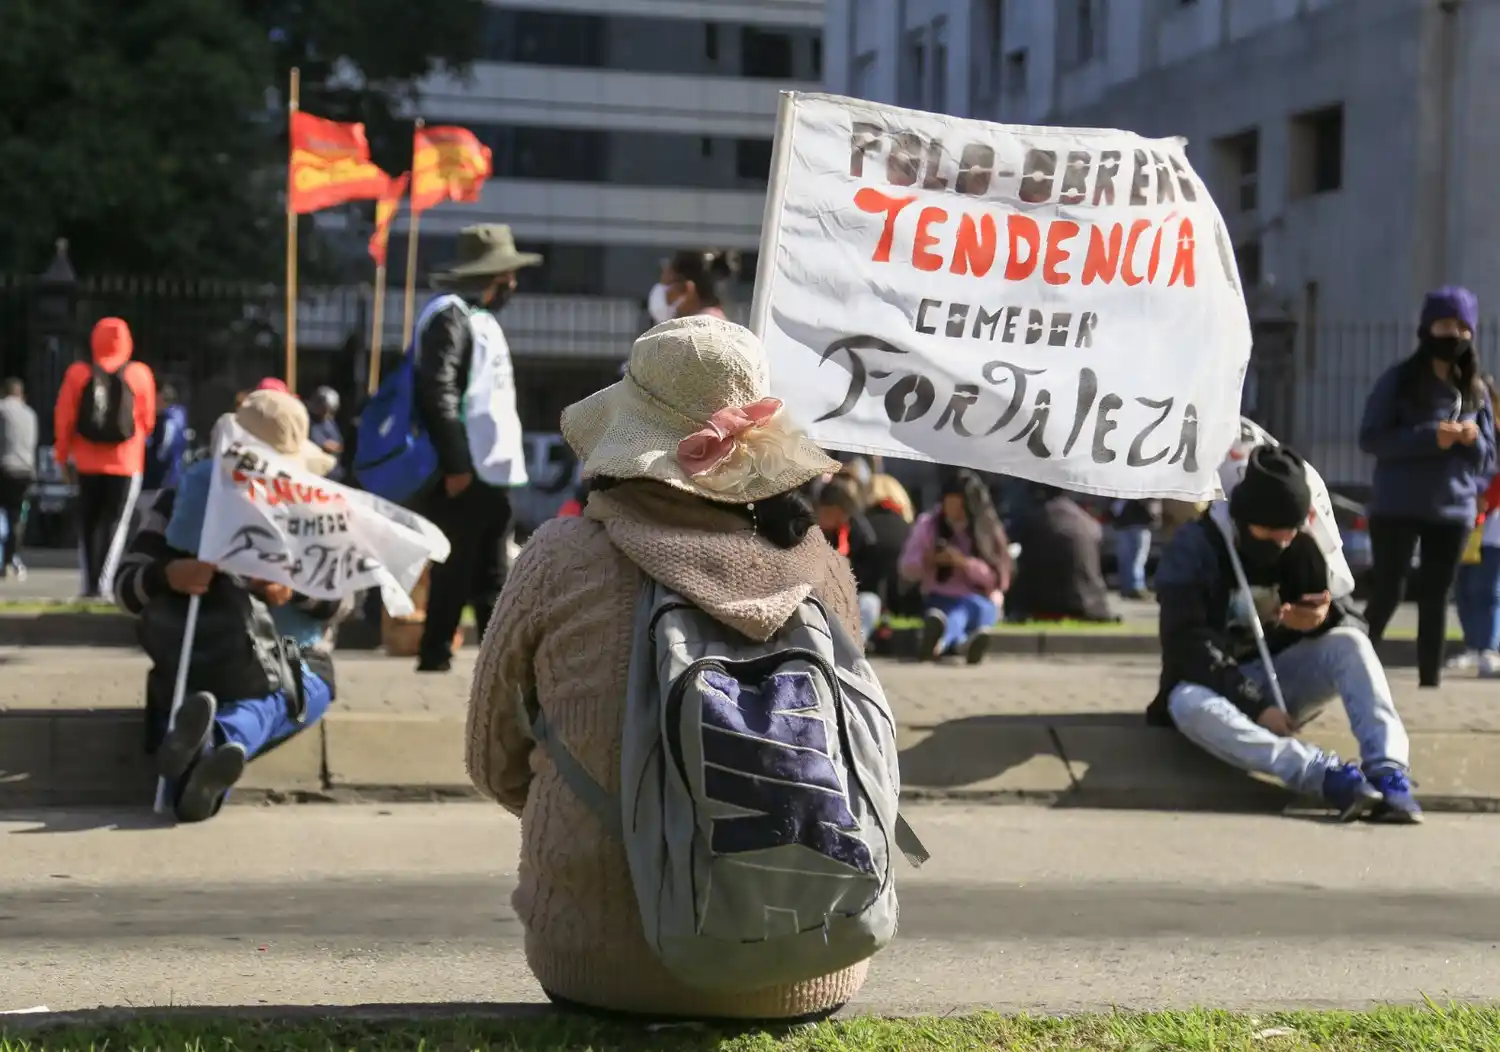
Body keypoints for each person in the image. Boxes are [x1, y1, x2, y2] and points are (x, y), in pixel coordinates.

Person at [465, 315, 874, 1019]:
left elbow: (491, 758)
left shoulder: (559, 556)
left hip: (600, 961)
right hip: (814, 961)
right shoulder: (823, 569)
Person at [1149, 445, 1420, 823]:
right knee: (1186, 703)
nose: (1279, 543)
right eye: (1268, 532)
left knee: (1350, 643)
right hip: (1215, 686)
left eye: (1288, 533)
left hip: (1280, 681)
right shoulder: (1196, 547)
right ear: (1243, 519)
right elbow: (1186, 644)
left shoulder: (1301, 546)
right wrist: (1256, 705)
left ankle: (1388, 771)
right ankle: (1323, 775)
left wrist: (1321, 620)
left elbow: (1352, 621)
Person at [116, 390, 342, 822]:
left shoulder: (314, 509)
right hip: (202, 653)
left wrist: (291, 590)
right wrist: (168, 575)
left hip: (289, 658)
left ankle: (210, 745)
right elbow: (125, 587)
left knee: (297, 690)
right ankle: (209, 751)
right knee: (196, 700)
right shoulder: (182, 498)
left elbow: (344, 601)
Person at [1359, 285, 1497, 688]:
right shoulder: (1398, 381)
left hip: (1452, 509)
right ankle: (1353, 664)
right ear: (1425, 329)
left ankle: (1429, 682)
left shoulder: (1477, 390)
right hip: (1396, 506)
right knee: (1387, 592)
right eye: (1443, 324)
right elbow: (1372, 438)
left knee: (1437, 596)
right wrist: (1429, 437)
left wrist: (1473, 440)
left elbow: (1487, 456)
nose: (1452, 334)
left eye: (1461, 327)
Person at [412, 224, 535, 672]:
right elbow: (437, 390)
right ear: (494, 275)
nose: (513, 286)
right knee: (461, 566)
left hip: (489, 466)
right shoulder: (451, 316)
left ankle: (495, 659)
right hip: (469, 466)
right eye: (509, 276)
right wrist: (457, 462)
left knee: (487, 567)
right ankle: (440, 655)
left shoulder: (474, 317)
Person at [53, 317, 157, 598]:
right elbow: (148, 422)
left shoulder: (79, 373)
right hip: (126, 462)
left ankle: (87, 583)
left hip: (85, 462)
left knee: (87, 522)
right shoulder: (139, 374)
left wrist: (62, 457)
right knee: (115, 523)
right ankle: (105, 584)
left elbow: (64, 419)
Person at [899, 469, 1012, 664]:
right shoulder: (929, 524)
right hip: (941, 597)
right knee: (949, 613)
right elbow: (906, 567)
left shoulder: (988, 527)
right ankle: (961, 645)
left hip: (981, 601)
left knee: (966, 609)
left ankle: (940, 643)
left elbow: (997, 579)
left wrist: (963, 562)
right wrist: (929, 560)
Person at [1007, 486, 1116, 623]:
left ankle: (1016, 611)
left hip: (1050, 601)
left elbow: (1011, 542)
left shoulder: (1037, 516)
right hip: (1093, 602)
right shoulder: (1085, 519)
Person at [1451, 377, 1500, 675]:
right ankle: (1472, 646)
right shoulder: (1460, 430)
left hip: (1492, 525)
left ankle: (1489, 648)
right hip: (1462, 521)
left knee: (1488, 588)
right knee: (1464, 587)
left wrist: (1486, 500)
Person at [816, 474, 898, 642]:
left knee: (870, 603)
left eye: (827, 511)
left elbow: (872, 577)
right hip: (818, 594)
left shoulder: (861, 535)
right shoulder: (808, 532)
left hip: (853, 596)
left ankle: (852, 647)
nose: (821, 515)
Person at [0, 378, 38, 579]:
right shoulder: (30, 414)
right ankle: (9, 558)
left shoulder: (2, 410)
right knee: (16, 518)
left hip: (5, 468)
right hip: (25, 472)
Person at [142, 384, 189, 501]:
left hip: (157, 481)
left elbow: (163, 449)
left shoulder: (167, 421)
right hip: (172, 477)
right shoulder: (179, 416)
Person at [662, 249, 739, 319]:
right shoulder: (718, 321)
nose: (666, 294)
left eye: (670, 288)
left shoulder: (691, 329)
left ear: (689, 288)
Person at [1111, 498, 1162, 599]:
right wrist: (1155, 518)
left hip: (1123, 523)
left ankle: (1126, 587)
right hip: (1140, 523)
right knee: (1138, 558)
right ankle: (1137, 587)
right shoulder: (1145, 488)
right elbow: (1153, 503)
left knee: (1126, 558)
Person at [308, 386, 344, 481]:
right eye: (325, 408)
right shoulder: (308, 421)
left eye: (330, 410)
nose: (327, 413)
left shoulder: (330, 422)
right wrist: (323, 445)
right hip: (316, 473)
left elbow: (339, 443)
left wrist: (337, 447)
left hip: (334, 472)